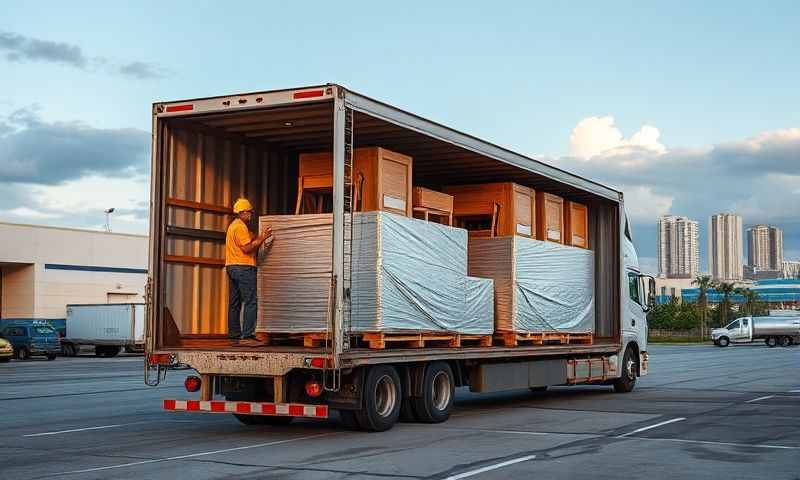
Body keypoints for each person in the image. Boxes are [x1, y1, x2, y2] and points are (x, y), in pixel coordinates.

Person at [226, 197, 272, 346]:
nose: (251, 214)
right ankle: (247, 336)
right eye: (249, 212)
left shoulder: (233, 226)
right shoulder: (240, 227)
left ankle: (234, 335)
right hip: (244, 267)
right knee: (251, 301)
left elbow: (245, 242)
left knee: (235, 302)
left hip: (232, 267)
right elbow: (247, 248)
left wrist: (255, 238)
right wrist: (263, 238)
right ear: (243, 212)